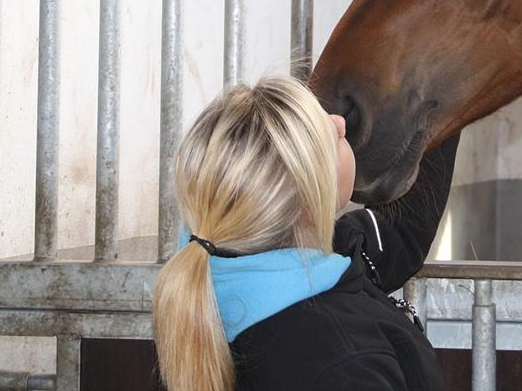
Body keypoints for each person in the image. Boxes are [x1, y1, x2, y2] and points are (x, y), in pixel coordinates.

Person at [152, 75, 459, 391]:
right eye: (329, 138)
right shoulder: (348, 364)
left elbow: (402, 229)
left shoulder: (210, 287)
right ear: (309, 203)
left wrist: (447, 95)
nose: (340, 122)